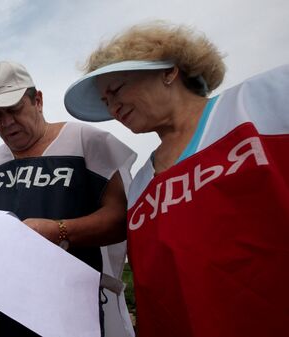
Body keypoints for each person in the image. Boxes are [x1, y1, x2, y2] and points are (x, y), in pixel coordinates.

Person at [64, 22, 289, 337]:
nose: (113, 108)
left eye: (116, 90)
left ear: (168, 71)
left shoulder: (263, 101)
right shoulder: (141, 184)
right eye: (105, 102)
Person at [0, 61, 136, 337]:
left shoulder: (86, 141)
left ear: (38, 100)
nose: (7, 123)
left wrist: (59, 230)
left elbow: (122, 218)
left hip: (69, 312)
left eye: (14, 109)